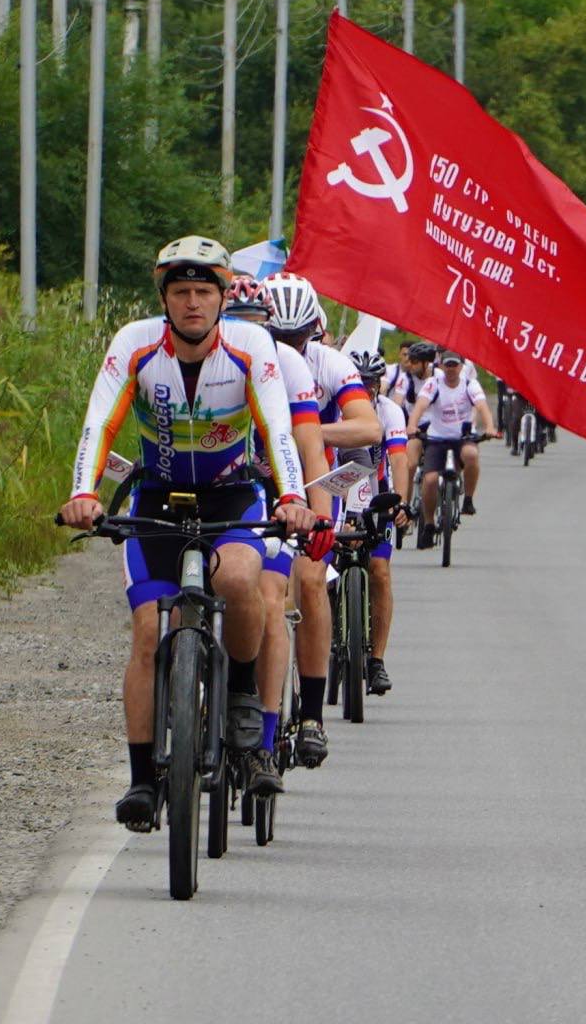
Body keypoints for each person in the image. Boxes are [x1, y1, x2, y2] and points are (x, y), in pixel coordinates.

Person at [58, 238, 317, 830]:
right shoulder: (136, 343)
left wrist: (294, 499)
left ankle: (245, 708)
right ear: (164, 300)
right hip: (157, 498)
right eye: (181, 292)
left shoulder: (251, 345)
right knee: (149, 630)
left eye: (204, 291)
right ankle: (144, 779)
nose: (193, 303)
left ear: (224, 297)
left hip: (231, 495)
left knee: (241, 579)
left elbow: (278, 426)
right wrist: (83, 492)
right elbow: (100, 420)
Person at [263, 272, 381, 767]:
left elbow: (368, 424)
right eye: (278, 338)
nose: (288, 347)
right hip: (255, 479)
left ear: (314, 330)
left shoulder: (327, 362)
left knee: (311, 581)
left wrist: (308, 429)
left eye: (297, 338)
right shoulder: (245, 355)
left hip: (314, 481)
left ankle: (310, 715)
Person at [222, 277, 335, 774]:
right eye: (236, 326)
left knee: (269, 597)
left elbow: (310, 447)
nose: (247, 336)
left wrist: (320, 516)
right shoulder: (202, 357)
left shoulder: (285, 364)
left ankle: (264, 741)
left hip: (273, 495)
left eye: (257, 328)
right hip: (218, 489)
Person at [344, 350, 410, 696]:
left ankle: (377, 660)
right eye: (360, 382)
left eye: (372, 382)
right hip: (337, 497)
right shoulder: (334, 407)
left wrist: (401, 502)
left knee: (380, 571)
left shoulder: (390, 411)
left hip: (375, 499)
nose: (366, 389)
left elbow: (399, 460)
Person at [405, 349, 497, 544]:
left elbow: (482, 407)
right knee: (429, 481)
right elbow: (420, 406)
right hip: (437, 438)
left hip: (462, 437)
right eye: (448, 365)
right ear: (441, 366)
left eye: (455, 365)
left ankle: (468, 500)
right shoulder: (433, 384)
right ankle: (429, 524)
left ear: (461, 367)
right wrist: (412, 425)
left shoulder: (469, 385)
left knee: (471, 454)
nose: (451, 369)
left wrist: (489, 427)